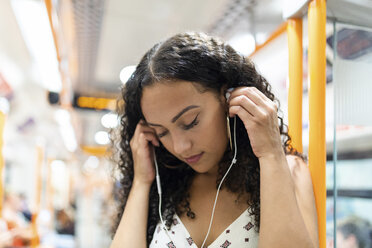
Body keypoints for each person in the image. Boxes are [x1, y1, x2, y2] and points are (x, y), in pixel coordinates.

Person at [110, 32, 318, 248]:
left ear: (228, 97)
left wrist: (270, 154)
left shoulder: (287, 170)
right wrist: (141, 182)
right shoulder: (164, 185)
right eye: (162, 132)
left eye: (191, 122)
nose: (181, 147)